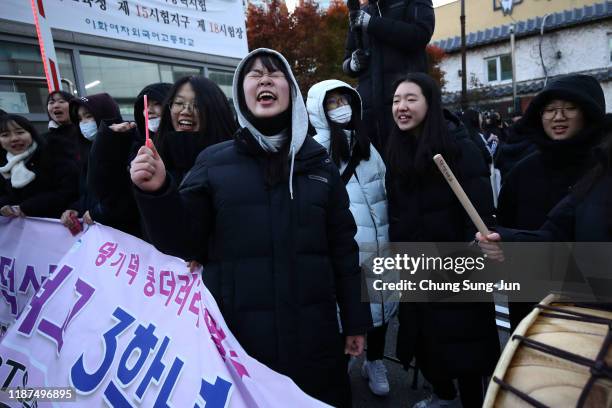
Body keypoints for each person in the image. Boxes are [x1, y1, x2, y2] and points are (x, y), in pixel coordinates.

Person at [130, 49, 372, 407]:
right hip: (236, 339)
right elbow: (182, 243)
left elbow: (343, 248)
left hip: (314, 336)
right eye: (254, 75)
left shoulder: (319, 164)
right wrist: (158, 193)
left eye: (275, 74)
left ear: (290, 91)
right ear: (241, 94)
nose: (264, 80)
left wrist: (355, 320)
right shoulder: (213, 161)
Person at [385, 73, 499, 408]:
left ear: (430, 103)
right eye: (396, 100)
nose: (401, 107)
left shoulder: (460, 147)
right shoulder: (397, 150)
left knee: (465, 342)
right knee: (426, 338)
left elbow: (478, 211)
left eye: (410, 98)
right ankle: (443, 395)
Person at [496, 74, 609, 329]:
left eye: (570, 108)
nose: (559, 117)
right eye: (550, 110)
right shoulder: (522, 171)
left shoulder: (604, 169)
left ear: (590, 113)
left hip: (593, 311)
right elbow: (507, 230)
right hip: (531, 304)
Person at [307, 79, 397, 397]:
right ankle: (344, 361)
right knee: (346, 311)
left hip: (381, 245)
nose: (340, 108)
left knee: (382, 309)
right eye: (331, 103)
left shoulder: (367, 146)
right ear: (318, 108)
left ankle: (374, 361)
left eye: (344, 101)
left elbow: (384, 190)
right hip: (344, 250)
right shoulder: (314, 150)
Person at [342, 0, 434, 152]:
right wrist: (352, 64)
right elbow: (347, 59)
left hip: (406, 107)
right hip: (369, 113)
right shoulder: (360, 11)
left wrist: (373, 24)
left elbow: (421, 34)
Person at [84, 83, 173, 238]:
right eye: (145, 106)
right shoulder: (135, 145)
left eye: (158, 103)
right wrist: (108, 139)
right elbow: (108, 187)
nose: (149, 111)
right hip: (143, 236)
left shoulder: (181, 145)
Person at [153, 76, 237, 184]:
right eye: (178, 103)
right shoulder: (155, 158)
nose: (185, 111)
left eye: (197, 105)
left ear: (215, 111)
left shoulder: (232, 161)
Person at [60, 93, 122, 232]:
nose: (84, 123)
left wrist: (98, 212)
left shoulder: (124, 146)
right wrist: (76, 208)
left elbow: (124, 197)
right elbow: (89, 193)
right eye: (80, 119)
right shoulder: (86, 151)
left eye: (89, 116)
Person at [0, 114, 78, 218]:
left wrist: (28, 207)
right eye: (5, 135)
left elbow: (68, 190)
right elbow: (6, 195)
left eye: (20, 132)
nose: (14, 138)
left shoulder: (53, 152)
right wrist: (4, 206)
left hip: (59, 223)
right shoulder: (4, 166)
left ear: (31, 133)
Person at [44, 90, 80, 161]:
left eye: (61, 101)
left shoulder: (86, 134)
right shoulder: (44, 140)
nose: (56, 106)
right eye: (51, 102)